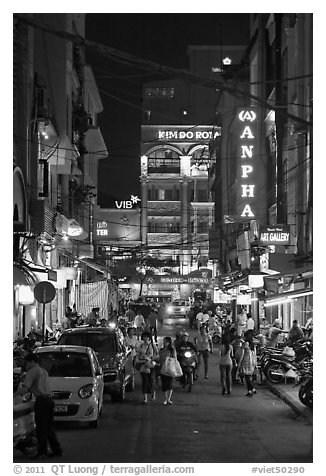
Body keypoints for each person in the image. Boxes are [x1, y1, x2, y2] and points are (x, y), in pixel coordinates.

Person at [13, 353, 62, 459]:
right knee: (48, 428)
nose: (25, 366)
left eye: (25, 363)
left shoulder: (32, 371)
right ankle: (57, 450)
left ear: (31, 362)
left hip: (41, 402)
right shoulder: (43, 371)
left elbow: (25, 389)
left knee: (41, 429)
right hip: (49, 401)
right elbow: (36, 386)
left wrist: (13, 395)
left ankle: (42, 452)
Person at [135, 331, 155, 403]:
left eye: (146, 337)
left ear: (149, 338)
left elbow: (155, 355)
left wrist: (150, 358)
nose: (145, 338)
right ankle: (145, 397)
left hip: (150, 365)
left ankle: (152, 392)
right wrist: (138, 359)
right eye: (144, 337)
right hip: (142, 364)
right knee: (144, 381)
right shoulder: (141, 346)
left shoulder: (152, 346)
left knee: (150, 380)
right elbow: (138, 354)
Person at [237, 331, 257, 397]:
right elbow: (255, 355)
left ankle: (253, 388)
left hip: (246, 362)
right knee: (248, 376)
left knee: (247, 377)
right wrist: (255, 364)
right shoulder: (253, 345)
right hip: (252, 362)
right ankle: (249, 391)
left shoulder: (245, 344)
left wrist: (239, 363)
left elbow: (242, 354)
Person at [158, 337, 177, 404]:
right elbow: (159, 358)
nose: (165, 343)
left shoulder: (172, 350)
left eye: (166, 342)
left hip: (170, 368)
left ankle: (169, 398)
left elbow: (174, 359)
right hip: (163, 368)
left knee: (170, 384)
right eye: (164, 341)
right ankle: (166, 398)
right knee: (164, 384)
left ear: (169, 343)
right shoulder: (161, 350)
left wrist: (168, 361)